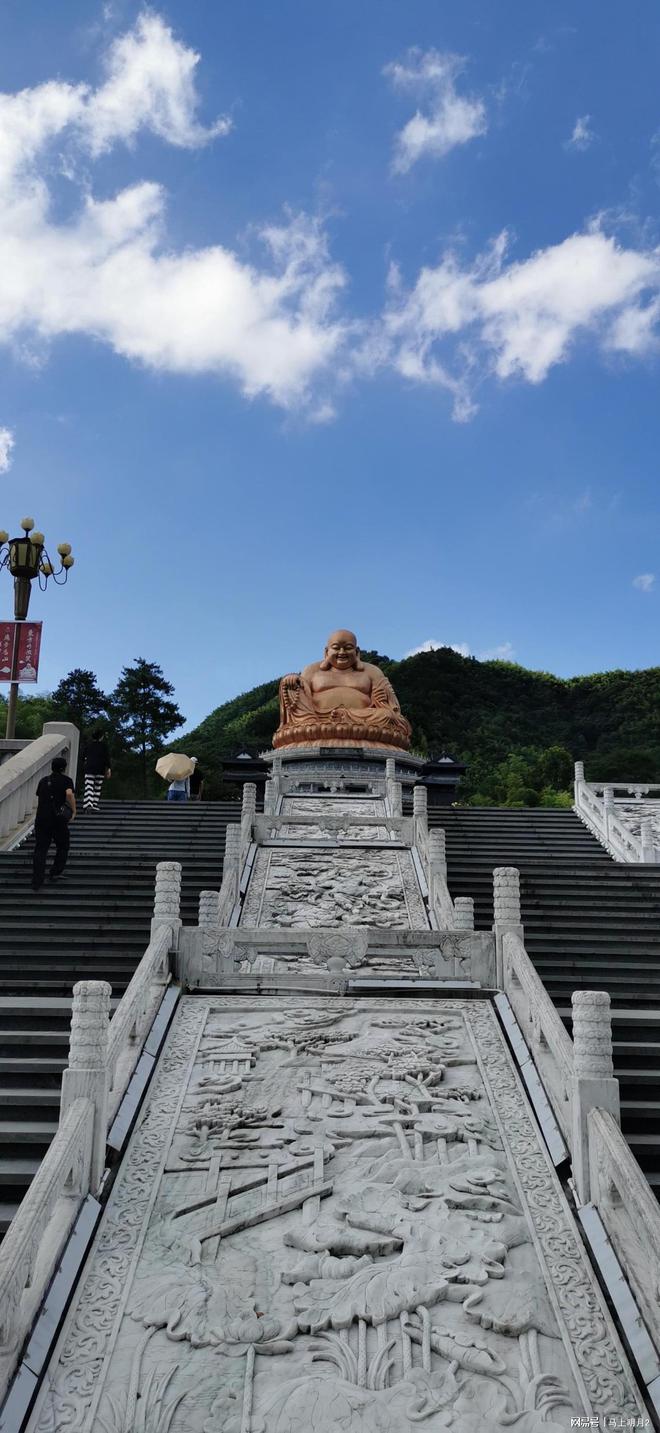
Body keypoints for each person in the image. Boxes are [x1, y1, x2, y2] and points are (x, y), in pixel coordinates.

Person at [32, 755, 76, 891]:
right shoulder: (67, 780)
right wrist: (74, 810)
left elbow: (40, 797)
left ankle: (37, 880)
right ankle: (55, 872)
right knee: (63, 845)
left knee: (41, 849)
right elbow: (69, 794)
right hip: (57, 819)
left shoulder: (43, 781)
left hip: (41, 818)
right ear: (64, 768)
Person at [83, 729, 111, 811]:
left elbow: (83, 756)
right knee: (97, 787)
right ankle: (94, 803)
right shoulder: (103, 746)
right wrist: (108, 769)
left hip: (89, 768)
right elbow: (107, 758)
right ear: (101, 737)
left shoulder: (88, 745)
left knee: (89, 786)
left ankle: (88, 803)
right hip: (100, 769)